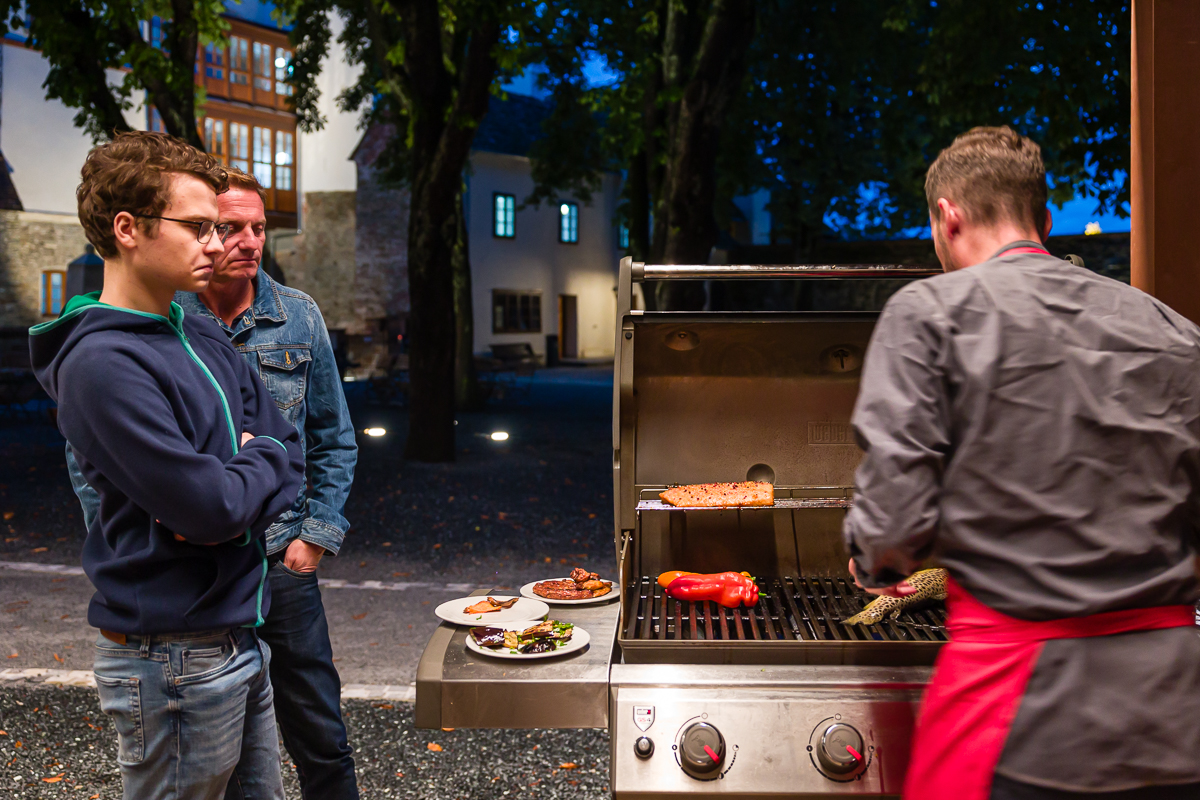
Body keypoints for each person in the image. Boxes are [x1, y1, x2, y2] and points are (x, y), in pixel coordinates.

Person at [844, 126, 1200, 800]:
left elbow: (892, 533)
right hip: (1173, 717)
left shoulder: (928, 315)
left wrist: (873, 562)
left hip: (1020, 719)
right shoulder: (1174, 332)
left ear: (947, 217)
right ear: (1044, 216)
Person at [68, 168, 360, 799]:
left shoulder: (287, 318)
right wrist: (147, 533)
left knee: (318, 728)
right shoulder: (147, 334)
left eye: (258, 227)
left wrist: (310, 535)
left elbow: (314, 440)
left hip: (278, 560)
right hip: (187, 602)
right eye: (217, 227)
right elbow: (113, 478)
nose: (241, 242)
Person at [30, 132, 305, 799]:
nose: (218, 243)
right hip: (170, 656)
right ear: (128, 228)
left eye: (220, 226)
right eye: (198, 226)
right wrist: (240, 474)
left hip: (239, 637)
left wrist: (244, 466)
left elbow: (285, 448)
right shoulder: (101, 365)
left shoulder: (197, 326)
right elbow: (210, 508)